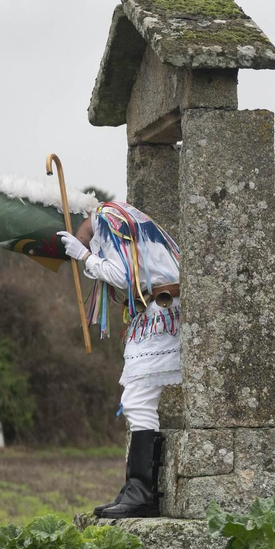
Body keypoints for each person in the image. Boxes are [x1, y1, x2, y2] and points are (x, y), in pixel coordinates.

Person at [58, 201, 181, 518]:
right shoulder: (122, 217)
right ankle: (137, 490)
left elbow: (122, 275)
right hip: (161, 307)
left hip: (162, 310)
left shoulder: (105, 219)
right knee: (138, 399)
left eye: (74, 230)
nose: (77, 237)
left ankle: (141, 494)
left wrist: (83, 255)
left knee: (138, 399)